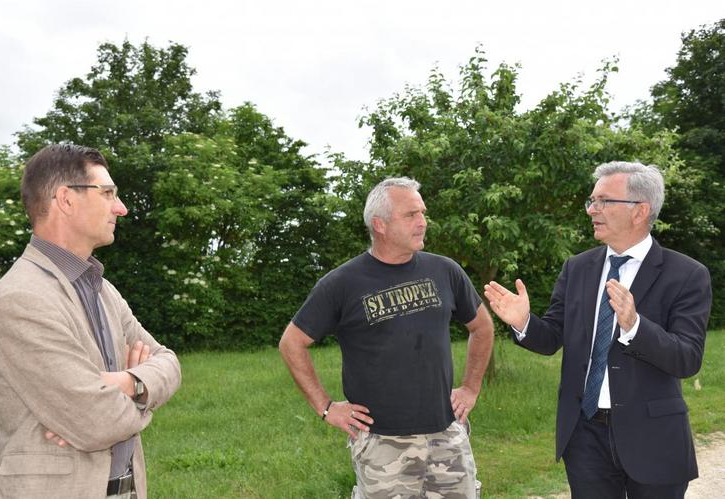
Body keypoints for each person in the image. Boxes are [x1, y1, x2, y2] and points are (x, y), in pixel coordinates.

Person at [484, 161, 712, 498]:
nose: (593, 209)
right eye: (592, 201)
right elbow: (551, 339)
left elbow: (687, 359)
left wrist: (635, 326)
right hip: (585, 435)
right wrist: (523, 323)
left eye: (604, 201)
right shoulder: (578, 268)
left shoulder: (687, 274)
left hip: (653, 437)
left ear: (640, 211)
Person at [0, 144, 182, 499]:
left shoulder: (102, 289)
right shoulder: (19, 300)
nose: (121, 207)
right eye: (107, 193)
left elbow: (170, 362)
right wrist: (141, 392)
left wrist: (125, 384)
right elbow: (96, 422)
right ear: (66, 200)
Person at [279, 177, 494, 498]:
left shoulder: (444, 271)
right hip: (382, 444)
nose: (422, 222)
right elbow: (291, 343)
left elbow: (482, 327)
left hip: (447, 435)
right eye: (410, 215)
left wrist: (471, 388)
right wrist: (325, 407)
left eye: (423, 213)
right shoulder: (342, 283)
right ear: (379, 224)